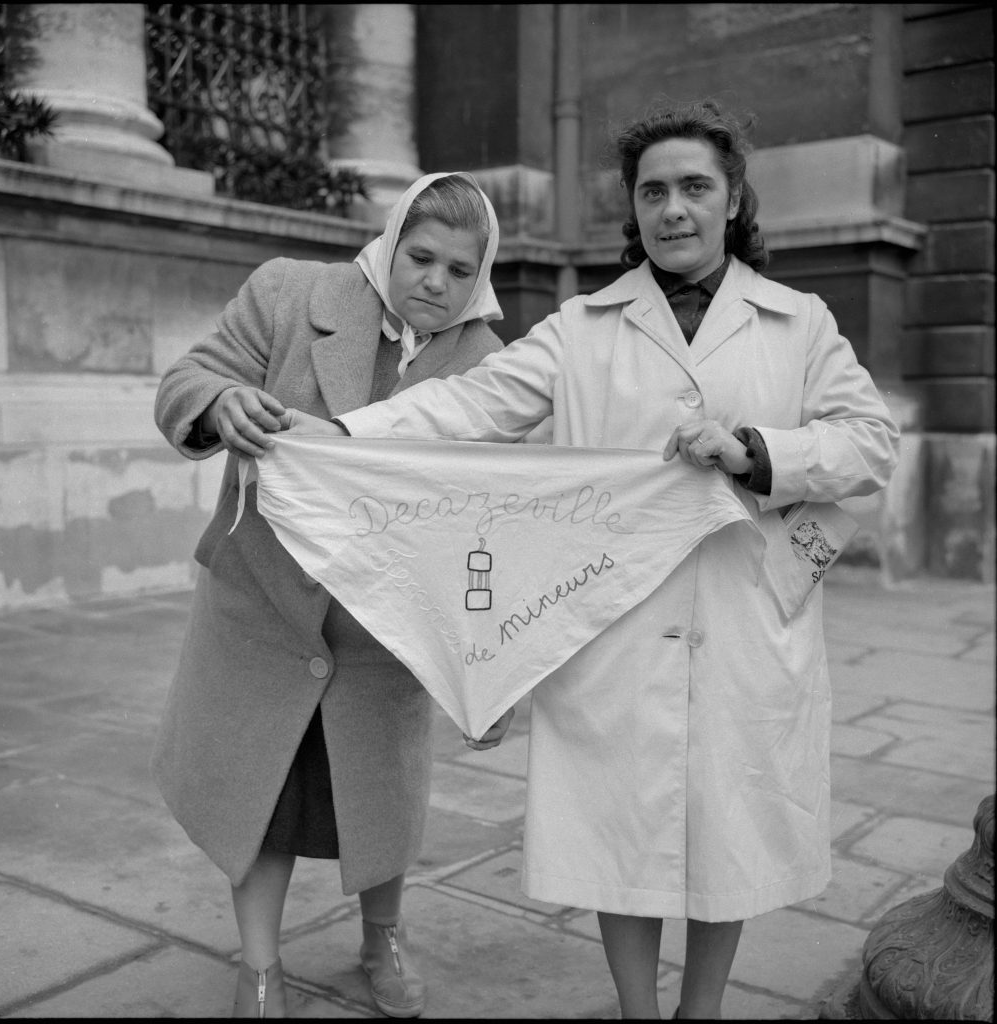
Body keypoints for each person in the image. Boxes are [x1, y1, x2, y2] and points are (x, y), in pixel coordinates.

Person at [289, 100, 901, 1019]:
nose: (674, 210)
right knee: (622, 836)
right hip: (610, 628)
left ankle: (700, 1011)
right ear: (634, 207)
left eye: (695, 187)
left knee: (726, 836)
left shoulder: (798, 322)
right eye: (653, 191)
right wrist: (340, 433)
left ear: (733, 197)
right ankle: (637, 1012)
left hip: (744, 622)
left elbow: (870, 443)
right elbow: (470, 404)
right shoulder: (582, 327)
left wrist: (757, 451)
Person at [151, 171, 513, 1019]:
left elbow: (496, 521)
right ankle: (260, 970)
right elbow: (186, 380)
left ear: (480, 277)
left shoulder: (492, 367)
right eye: (420, 257)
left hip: (382, 636)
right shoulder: (288, 294)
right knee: (261, 796)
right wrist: (219, 401)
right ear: (390, 244)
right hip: (263, 611)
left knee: (376, 801)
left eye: (460, 270)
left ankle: (381, 938)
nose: (435, 281)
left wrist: (492, 662)